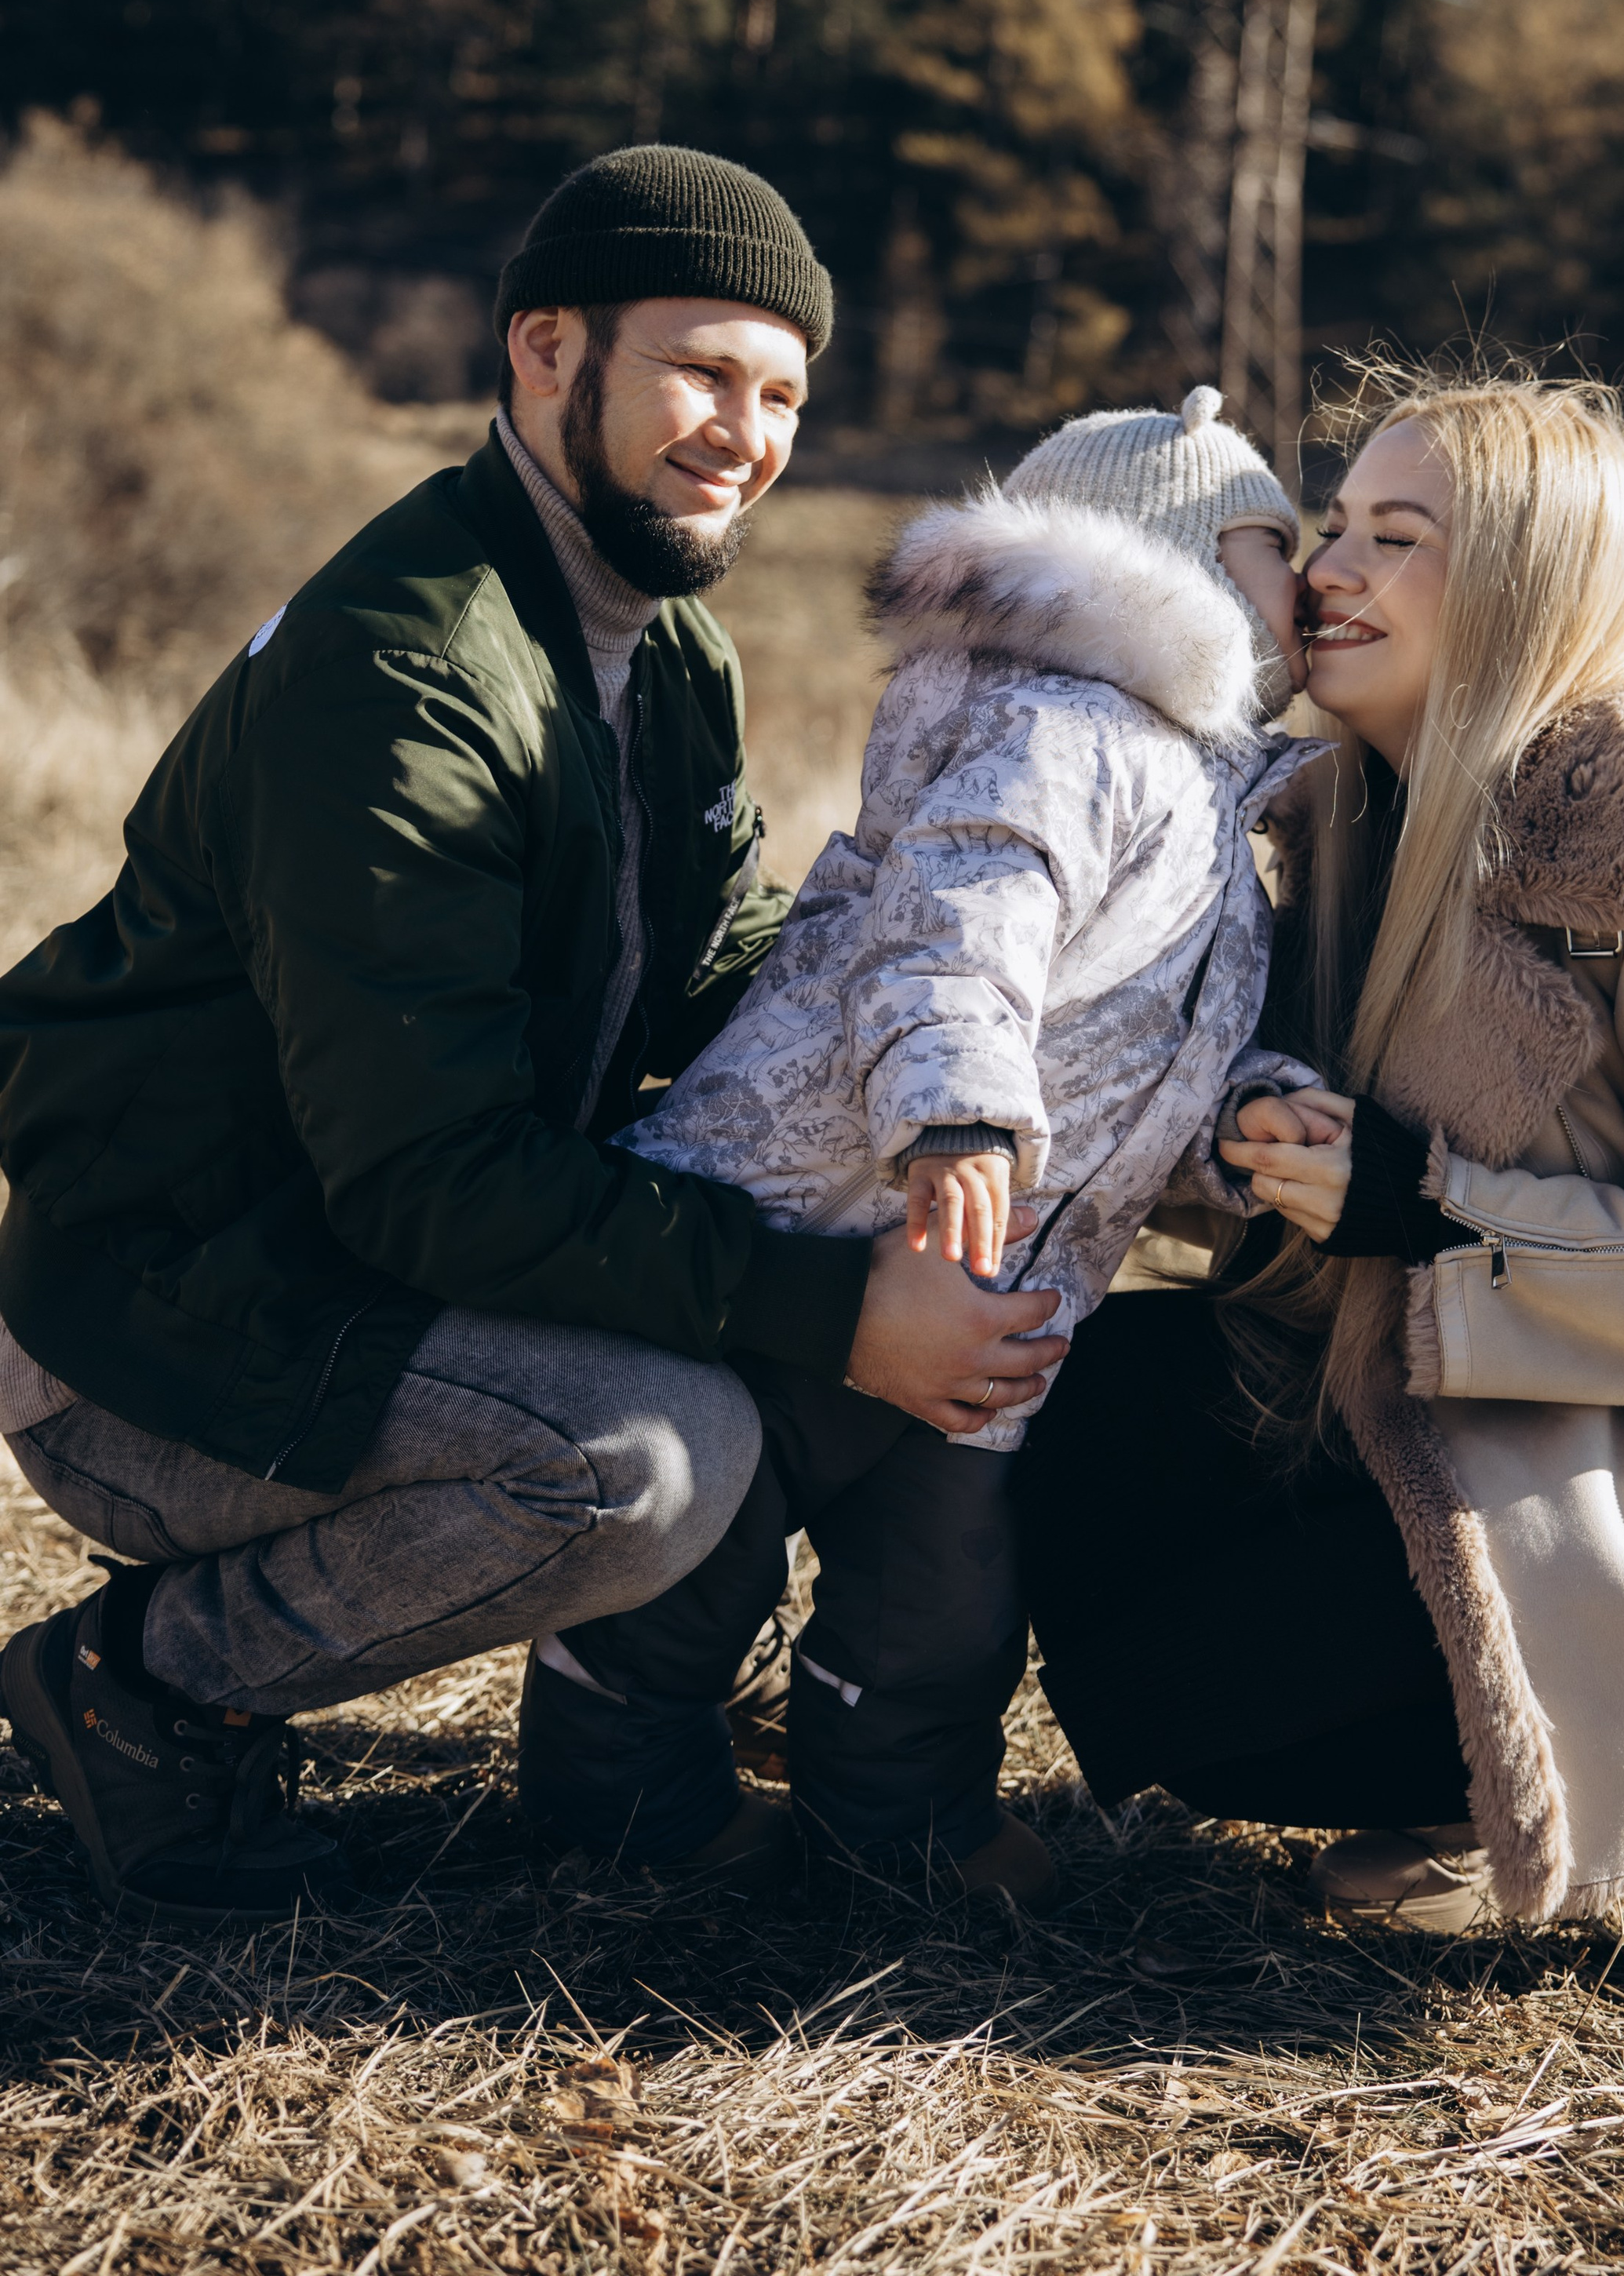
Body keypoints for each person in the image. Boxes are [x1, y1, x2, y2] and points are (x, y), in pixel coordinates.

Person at [0, 143, 1061, 1928]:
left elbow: (723, 963)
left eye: (784, 390)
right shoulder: (403, 673)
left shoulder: (664, 650)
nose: (746, 429)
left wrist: (934, 1083)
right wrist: (833, 1310)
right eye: (701, 370)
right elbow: (430, 1180)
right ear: (545, 351)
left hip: (322, 1282)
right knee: (648, 1461)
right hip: (162, 1332)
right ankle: (147, 1686)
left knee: (749, 1335)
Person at [1019, 357, 1624, 1988]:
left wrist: (1419, 1201)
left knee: (1217, 1704)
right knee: (1100, 1419)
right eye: (1330, 526)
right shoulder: (1335, 835)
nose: (1323, 569)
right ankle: (1475, 1779)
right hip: (1487, 1415)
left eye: (1392, 536)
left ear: (1530, 588)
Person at [536, 390, 1320, 1905]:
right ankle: (623, 1808)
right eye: (1282, 548)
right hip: (818, 1226)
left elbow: (1144, 1059)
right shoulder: (1068, 737)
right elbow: (961, 922)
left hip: (996, 1293)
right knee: (697, 1571)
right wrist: (955, 1108)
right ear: (1180, 568)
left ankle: (902, 1826)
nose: (1318, 580)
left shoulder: (1211, 803)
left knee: (945, 1600)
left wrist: (1241, 1132)